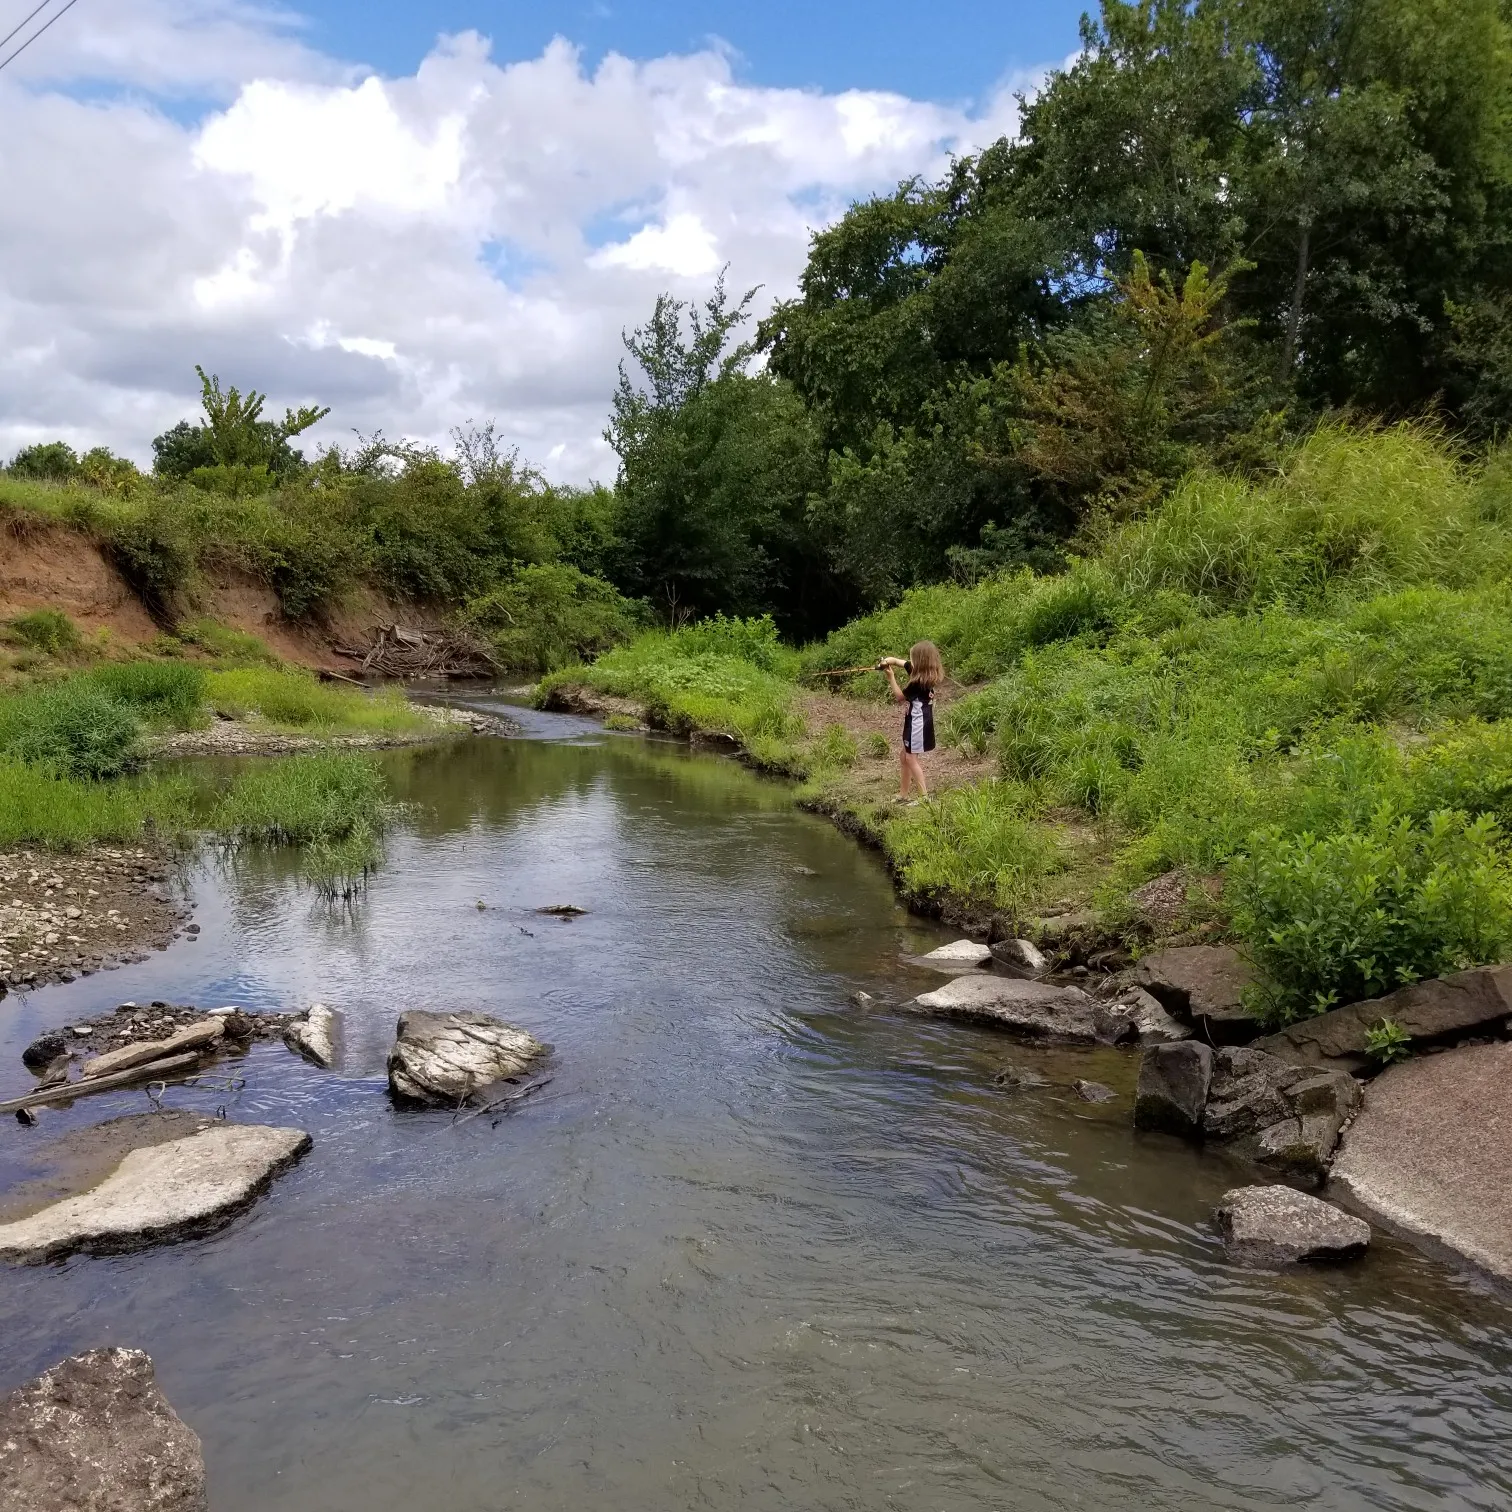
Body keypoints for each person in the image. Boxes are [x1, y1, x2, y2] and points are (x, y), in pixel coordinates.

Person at [877, 640, 943, 801]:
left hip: (918, 723)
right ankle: (903, 794)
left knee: (910, 758)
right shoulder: (921, 672)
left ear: (920, 662)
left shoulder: (918, 682)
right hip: (915, 720)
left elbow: (900, 697)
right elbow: (898, 661)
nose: (909, 661)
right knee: (904, 756)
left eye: (912, 659)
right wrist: (886, 662)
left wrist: (890, 677)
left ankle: (924, 798)